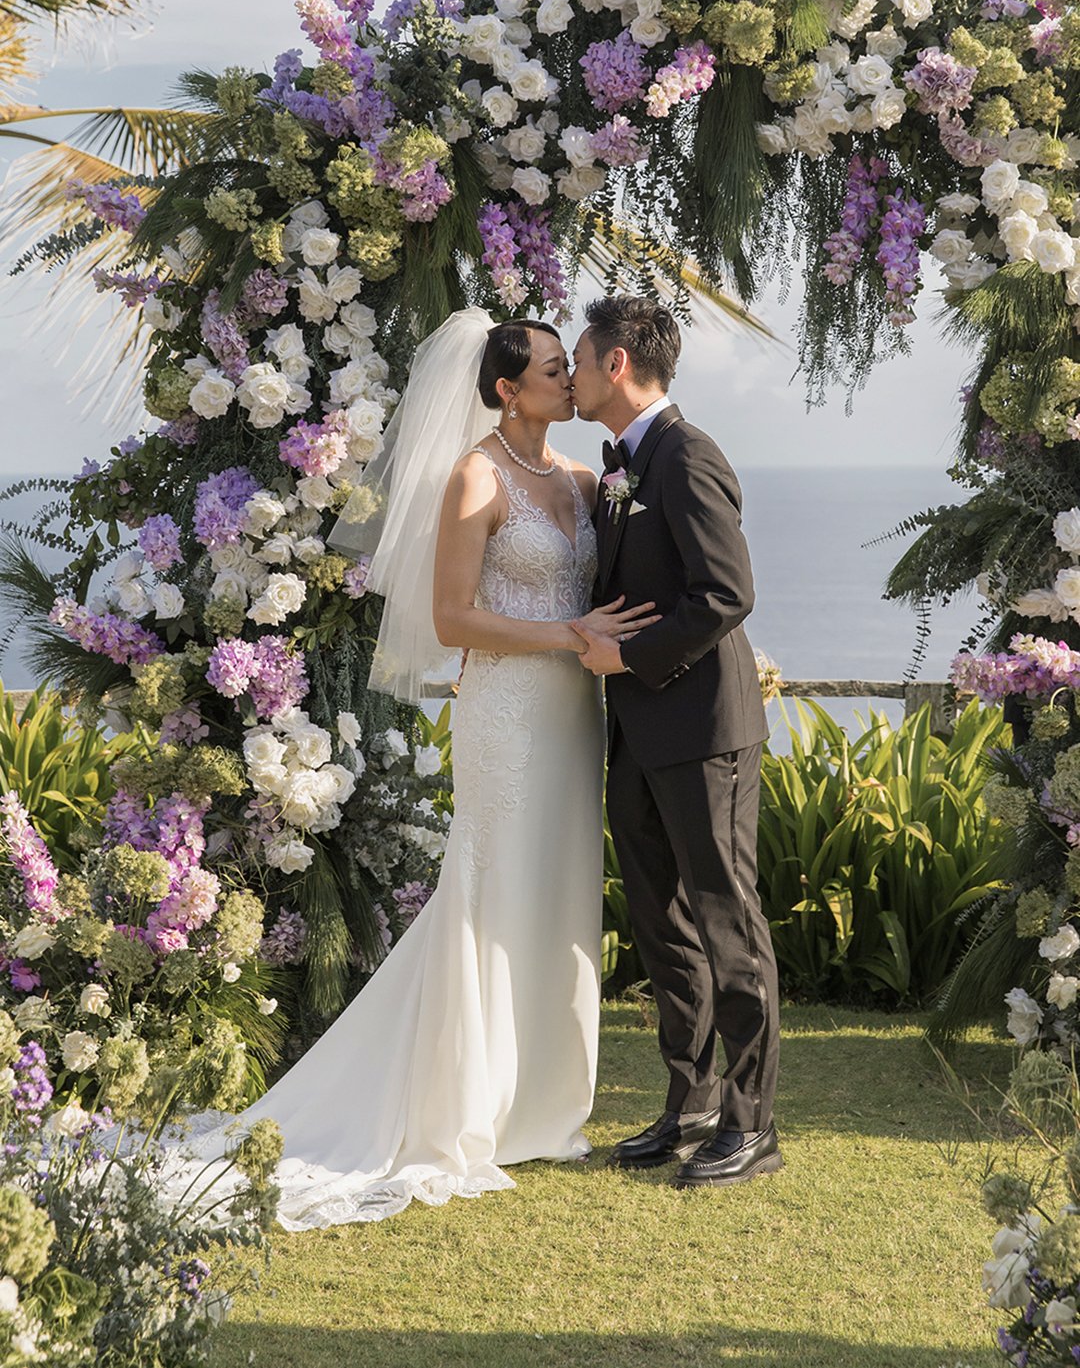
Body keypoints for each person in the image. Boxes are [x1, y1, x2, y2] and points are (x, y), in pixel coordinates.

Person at [167, 309, 656, 1230]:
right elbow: (452, 618)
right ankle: (465, 1108)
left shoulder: (589, 481)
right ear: (507, 390)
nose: (566, 379)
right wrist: (564, 636)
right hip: (506, 714)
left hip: (571, 720)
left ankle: (542, 1106)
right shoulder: (477, 476)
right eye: (551, 369)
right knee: (493, 890)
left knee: (557, 894)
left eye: (567, 366)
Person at [570, 295, 782, 1189]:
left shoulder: (687, 454)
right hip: (643, 735)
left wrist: (626, 655)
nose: (571, 377)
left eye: (578, 360)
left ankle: (752, 1122)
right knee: (664, 925)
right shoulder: (622, 463)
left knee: (727, 919)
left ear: (618, 364)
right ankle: (689, 1101)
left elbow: (727, 592)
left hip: (704, 734)